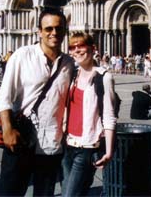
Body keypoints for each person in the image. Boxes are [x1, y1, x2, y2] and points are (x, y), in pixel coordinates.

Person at [0, 8, 74, 196]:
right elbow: (4, 97)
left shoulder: (69, 64)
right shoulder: (22, 55)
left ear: (65, 31)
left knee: (45, 193)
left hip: (51, 144)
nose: (54, 33)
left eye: (59, 28)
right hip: (20, 138)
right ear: (39, 31)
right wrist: (7, 130)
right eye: (48, 29)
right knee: (10, 192)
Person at [62, 32, 117, 196]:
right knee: (69, 191)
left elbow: (109, 115)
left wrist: (108, 151)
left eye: (81, 45)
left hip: (87, 147)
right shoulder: (72, 74)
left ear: (93, 49)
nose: (76, 50)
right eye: (73, 47)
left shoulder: (104, 77)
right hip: (67, 144)